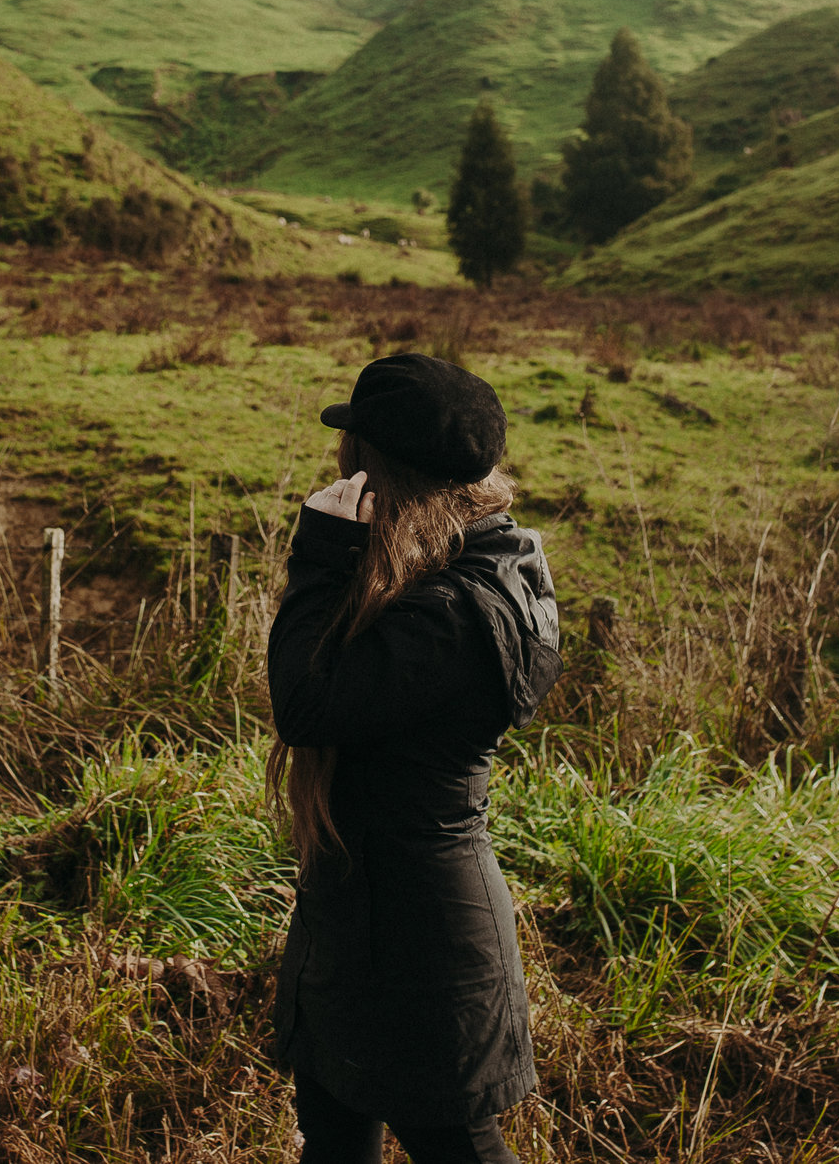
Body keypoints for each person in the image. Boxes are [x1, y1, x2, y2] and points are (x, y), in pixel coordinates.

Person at [268, 352, 563, 1164]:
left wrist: (322, 552)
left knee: (460, 1150)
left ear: (379, 474)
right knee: (333, 1144)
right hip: (362, 914)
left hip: (424, 946)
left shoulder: (457, 614)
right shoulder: (456, 573)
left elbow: (304, 702)